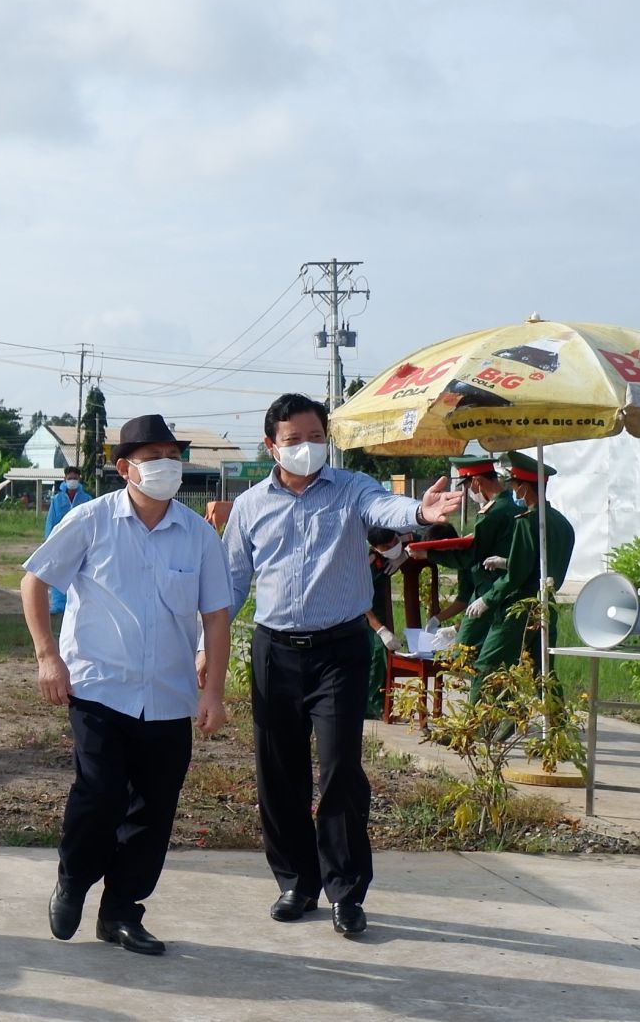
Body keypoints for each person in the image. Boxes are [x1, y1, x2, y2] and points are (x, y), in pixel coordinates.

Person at [219, 392, 461, 936]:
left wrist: (421, 512)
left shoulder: (352, 489)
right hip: (274, 650)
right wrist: (202, 647)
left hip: (340, 652)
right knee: (277, 771)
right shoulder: (251, 506)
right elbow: (231, 584)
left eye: (314, 437)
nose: (305, 448)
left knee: (340, 771)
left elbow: (387, 511)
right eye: (293, 440)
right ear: (270, 446)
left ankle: (345, 891)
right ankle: (295, 882)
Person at [22, 414, 231, 956]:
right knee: (100, 796)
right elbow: (34, 583)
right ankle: (74, 879)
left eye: (172, 455)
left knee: (153, 811)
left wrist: (213, 692)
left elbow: (217, 615)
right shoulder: (90, 521)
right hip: (98, 689)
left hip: (168, 695)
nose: (166, 466)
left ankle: (121, 912)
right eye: (152, 457)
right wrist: (48, 658)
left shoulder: (199, 536)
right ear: (125, 469)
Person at [412, 455, 521, 700]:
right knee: (491, 660)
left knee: (478, 660)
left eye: (467, 486)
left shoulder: (494, 513)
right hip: (492, 594)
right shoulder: (508, 509)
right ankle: (495, 714)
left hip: (492, 595)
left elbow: (469, 558)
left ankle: (478, 724)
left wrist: (428, 553)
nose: (470, 493)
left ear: (476, 482)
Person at [469, 451, 574, 686]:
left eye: (516, 485)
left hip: (519, 608)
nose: (514, 491)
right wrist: (507, 561)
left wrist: (488, 598)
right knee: (543, 674)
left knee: (487, 667)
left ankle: (483, 724)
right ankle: (554, 722)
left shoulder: (528, 520)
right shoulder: (562, 523)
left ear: (525, 488)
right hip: (546, 605)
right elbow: (542, 563)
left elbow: (517, 574)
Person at [364, 527, 407, 720]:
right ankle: (374, 706)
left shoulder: (399, 538)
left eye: (394, 542)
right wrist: (380, 629)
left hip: (381, 606)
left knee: (380, 656)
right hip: (362, 612)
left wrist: (405, 554)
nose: (392, 547)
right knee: (376, 655)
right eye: (386, 547)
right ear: (375, 548)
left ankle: (378, 703)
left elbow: (429, 536)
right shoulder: (363, 561)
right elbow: (357, 597)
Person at [42, 465, 93, 615]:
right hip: (61, 540)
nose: (72, 481)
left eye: (75, 478)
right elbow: (51, 521)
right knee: (59, 571)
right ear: (65, 479)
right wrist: (49, 541)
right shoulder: (57, 499)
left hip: (81, 540)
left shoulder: (86, 499)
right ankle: (58, 604)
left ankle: (81, 604)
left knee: (80, 573)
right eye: (70, 478)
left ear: (79, 479)